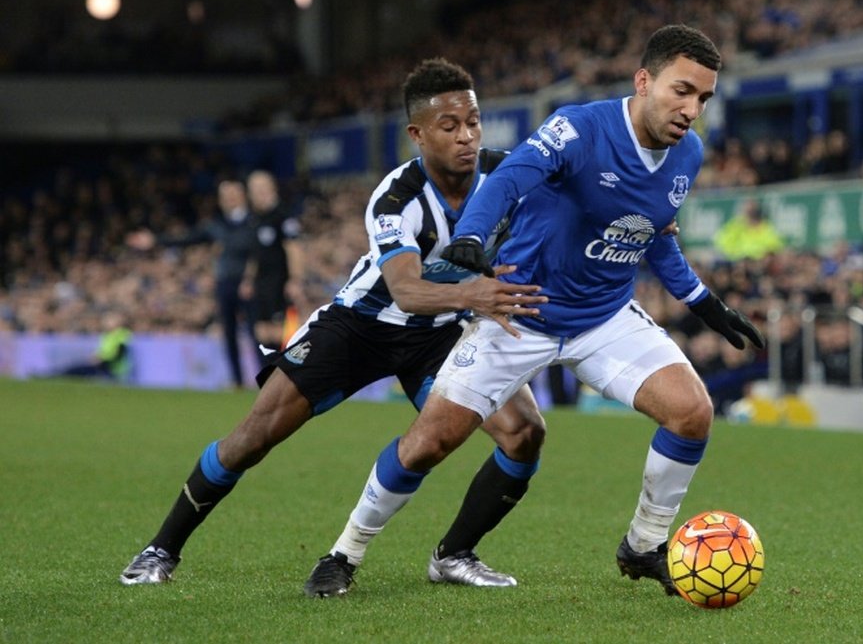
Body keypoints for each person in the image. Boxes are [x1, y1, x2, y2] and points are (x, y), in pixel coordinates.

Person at [316, 24, 764, 597]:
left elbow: (652, 233)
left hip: (603, 317)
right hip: (518, 312)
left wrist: (705, 303)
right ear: (644, 80)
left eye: (703, 98)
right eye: (681, 90)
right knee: (430, 442)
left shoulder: (689, 154)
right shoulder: (578, 128)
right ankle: (343, 554)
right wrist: (472, 236)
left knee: (692, 412)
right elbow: (508, 178)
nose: (691, 109)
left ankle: (645, 546)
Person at [119, 59, 549, 593]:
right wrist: (475, 295)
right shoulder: (396, 198)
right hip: (359, 327)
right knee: (252, 439)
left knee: (523, 433)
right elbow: (406, 291)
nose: (466, 136)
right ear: (417, 134)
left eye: (474, 122)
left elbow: (577, 194)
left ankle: (455, 555)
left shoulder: (505, 176)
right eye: (449, 126)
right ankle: (161, 548)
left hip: (440, 336)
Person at [127, 179, 256, 387]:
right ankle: (238, 381)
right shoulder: (218, 225)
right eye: (224, 196)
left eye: (232, 194)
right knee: (229, 332)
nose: (228, 200)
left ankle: (267, 378)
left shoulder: (255, 222)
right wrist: (156, 240)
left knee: (256, 333)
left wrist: (251, 278)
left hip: (250, 284)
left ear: (243, 196)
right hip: (225, 283)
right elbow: (189, 238)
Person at [243, 170, 306, 355]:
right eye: (253, 190)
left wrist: (295, 279)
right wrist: (248, 280)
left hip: (280, 281)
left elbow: (294, 249)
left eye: (261, 188)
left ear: (272, 189)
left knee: (279, 330)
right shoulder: (255, 219)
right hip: (261, 283)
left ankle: (283, 374)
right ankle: (268, 377)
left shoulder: (283, 215)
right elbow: (255, 254)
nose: (257, 194)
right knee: (261, 330)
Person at [714, 198, 785, 261]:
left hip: (760, 263)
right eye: (747, 211)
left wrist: (761, 255)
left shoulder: (766, 227)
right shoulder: (735, 226)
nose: (750, 214)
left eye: (753, 211)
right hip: (737, 262)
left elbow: (775, 246)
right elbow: (722, 243)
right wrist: (739, 255)